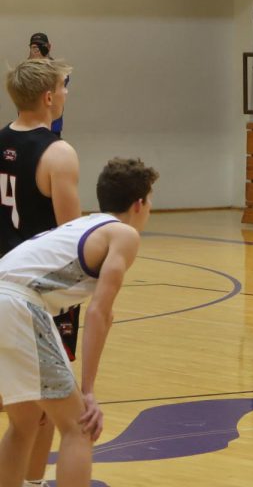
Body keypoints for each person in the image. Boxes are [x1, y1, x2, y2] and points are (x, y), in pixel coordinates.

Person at [0, 157, 157, 487]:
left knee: (25, 421)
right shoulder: (124, 235)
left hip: (8, 298)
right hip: (16, 303)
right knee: (79, 426)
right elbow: (101, 312)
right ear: (140, 203)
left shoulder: (82, 225)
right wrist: (88, 392)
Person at [0, 58, 82, 487]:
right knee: (51, 404)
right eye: (64, 88)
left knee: (21, 413)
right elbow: (73, 237)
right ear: (49, 98)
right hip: (39, 290)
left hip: (1, 281)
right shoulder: (57, 152)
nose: (67, 94)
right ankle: (33, 482)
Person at [26, 33, 66, 136]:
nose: (37, 50)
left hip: (52, 124)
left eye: (41, 47)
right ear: (29, 48)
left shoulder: (58, 68)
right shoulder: (24, 71)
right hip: (30, 124)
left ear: (48, 47)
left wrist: (44, 62)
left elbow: (59, 85)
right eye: (34, 47)